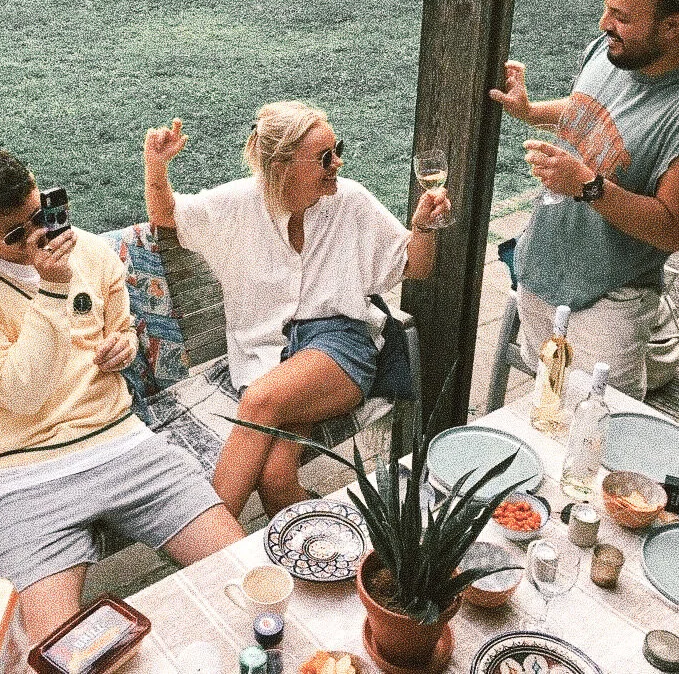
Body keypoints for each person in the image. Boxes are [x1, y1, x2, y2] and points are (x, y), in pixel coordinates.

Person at [0, 148, 244, 643]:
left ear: (39, 188)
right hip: (18, 471)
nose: (37, 238)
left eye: (40, 216)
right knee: (56, 649)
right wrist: (52, 289)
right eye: (15, 234)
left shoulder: (91, 251)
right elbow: (18, 392)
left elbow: (119, 328)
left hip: (120, 442)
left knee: (244, 572)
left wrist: (124, 346)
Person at [143, 101, 451, 519]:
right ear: (283, 166)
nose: (337, 163)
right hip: (266, 355)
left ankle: (213, 545)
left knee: (258, 403)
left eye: (337, 150)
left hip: (338, 343)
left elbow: (415, 265)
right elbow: (166, 214)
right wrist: (156, 165)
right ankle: (335, 541)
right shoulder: (240, 203)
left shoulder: (350, 201)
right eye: (324, 157)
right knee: (275, 480)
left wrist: (423, 227)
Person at [489, 0, 679, 399]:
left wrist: (588, 186)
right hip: (544, 266)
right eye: (608, 8)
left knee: (596, 423)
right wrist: (531, 110)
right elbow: (593, 110)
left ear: (673, 25)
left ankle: (664, 339)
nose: (604, 23)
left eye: (621, 16)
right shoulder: (617, 49)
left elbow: (673, 229)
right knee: (547, 398)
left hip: (612, 299)